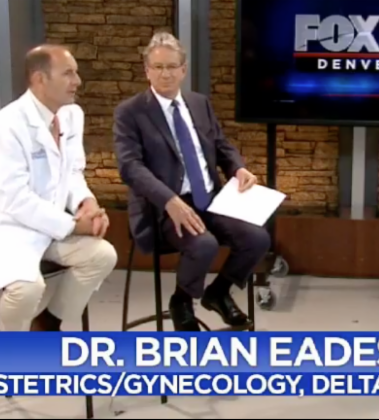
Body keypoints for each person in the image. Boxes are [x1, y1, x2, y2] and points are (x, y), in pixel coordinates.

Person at [0, 44, 118, 332]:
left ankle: (47, 325)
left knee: (103, 256)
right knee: (27, 288)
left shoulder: (71, 115)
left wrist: (86, 203)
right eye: (68, 73)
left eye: (76, 73)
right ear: (39, 78)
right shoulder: (8, 126)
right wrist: (73, 226)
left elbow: (72, 171)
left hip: (45, 221)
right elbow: (15, 200)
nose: (78, 81)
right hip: (3, 224)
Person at [113, 31, 270, 332]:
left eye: (172, 66)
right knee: (204, 244)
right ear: (147, 71)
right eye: (158, 67)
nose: (165, 74)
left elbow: (221, 145)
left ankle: (219, 293)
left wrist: (238, 169)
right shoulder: (130, 113)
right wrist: (169, 200)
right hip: (163, 207)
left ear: (183, 70)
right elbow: (130, 167)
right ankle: (182, 302)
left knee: (257, 239)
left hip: (209, 199)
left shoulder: (199, 104)